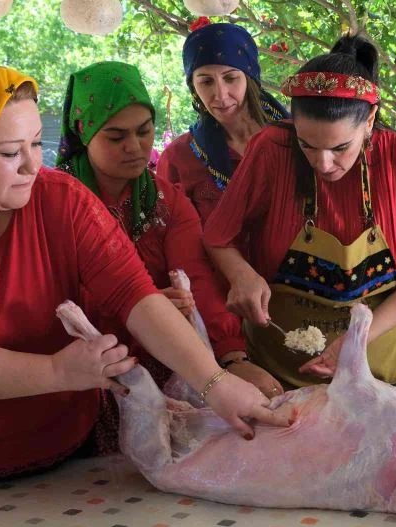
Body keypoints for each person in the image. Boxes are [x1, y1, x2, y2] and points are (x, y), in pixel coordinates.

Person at [0, 64, 287, 484]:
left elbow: (134, 295)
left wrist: (214, 382)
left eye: (37, 144)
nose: (30, 165)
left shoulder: (60, 199)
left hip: (63, 452)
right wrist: (60, 372)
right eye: (9, 153)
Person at [203, 34, 396, 389]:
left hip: (374, 366)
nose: (323, 163)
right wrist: (241, 274)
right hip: (278, 370)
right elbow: (217, 238)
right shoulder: (271, 147)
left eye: (340, 147)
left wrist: (358, 338)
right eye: (306, 145)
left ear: (369, 120)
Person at [56, 61, 282, 398]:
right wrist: (138, 308)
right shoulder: (56, 202)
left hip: (167, 359)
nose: (134, 146)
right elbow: (45, 295)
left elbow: (197, 276)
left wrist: (232, 357)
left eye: (144, 130)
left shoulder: (164, 200)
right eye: (116, 136)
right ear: (84, 133)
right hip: (76, 368)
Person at [156, 20, 288, 224]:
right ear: (193, 87)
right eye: (206, 82)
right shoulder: (178, 158)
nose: (220, 95)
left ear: (249, 78)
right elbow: (172, 234)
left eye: (230, 78)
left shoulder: (294, 138)